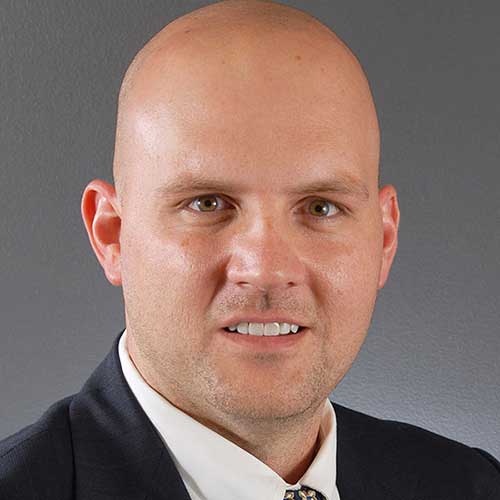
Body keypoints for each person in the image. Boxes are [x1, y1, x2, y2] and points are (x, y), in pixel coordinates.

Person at [1, 0, 499, 498]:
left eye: (321, 207)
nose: (266, 269)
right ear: (111, 235)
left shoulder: (469, 485)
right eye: (207, 203)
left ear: (384, 239)